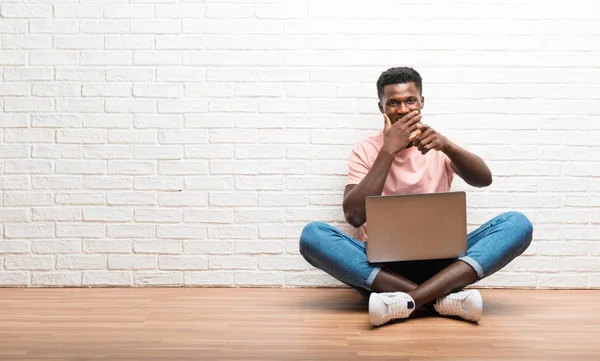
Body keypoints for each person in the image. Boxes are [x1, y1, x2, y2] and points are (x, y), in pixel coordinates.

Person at [298, 67, 533, 327]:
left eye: (410, 100)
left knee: (517, 224)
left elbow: (483, 179)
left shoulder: (437, 144)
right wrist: (388, 151)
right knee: (313, 236)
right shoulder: (366, 149)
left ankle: (404, 301)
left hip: (442, 265)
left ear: (421, 102)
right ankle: (442, 298)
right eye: (393, 102)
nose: (402, 109)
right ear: (381, 107)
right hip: (383, 268)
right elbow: (353, 216)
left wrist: (447, 146)